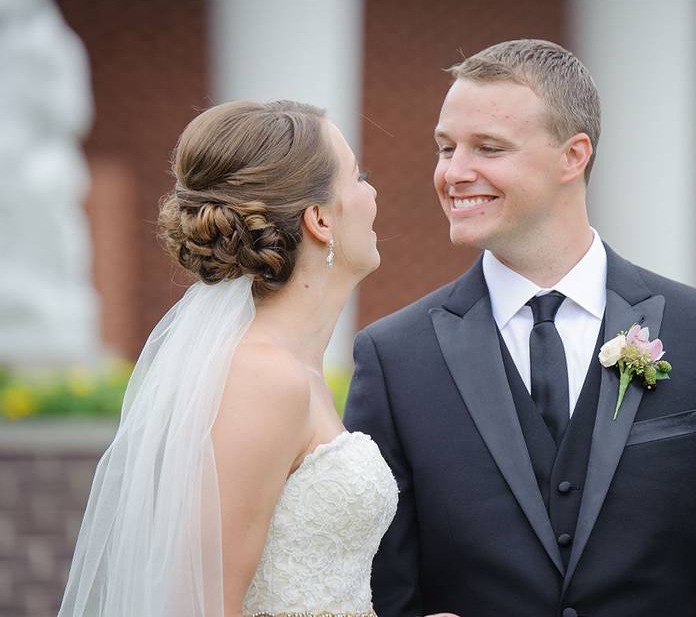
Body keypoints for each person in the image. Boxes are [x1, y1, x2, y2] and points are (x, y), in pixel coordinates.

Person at [344, 39, 696, 616]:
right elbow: (378, 591)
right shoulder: (393, 359)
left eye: (487, 147)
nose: (454, 173)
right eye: (445, 148)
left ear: (574, 155)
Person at [58, 100, 456, 617]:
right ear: (319, 220)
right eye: (359, 178)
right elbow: (199, 606)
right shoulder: (262, 379)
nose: (372, 194)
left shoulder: (292, 370)